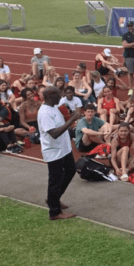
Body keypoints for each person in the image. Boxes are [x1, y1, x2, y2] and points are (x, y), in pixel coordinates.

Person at [38, 86, 81, 220]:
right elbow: (54, 133)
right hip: (54, 151)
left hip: (64, 148)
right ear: (50, 97)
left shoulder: (53, 107)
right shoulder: (45, 113)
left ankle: (53, 199)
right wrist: (71, 120)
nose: (61, 97)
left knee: (70, 170)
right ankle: (54, 212)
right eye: (58, 95)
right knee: (55, 180)